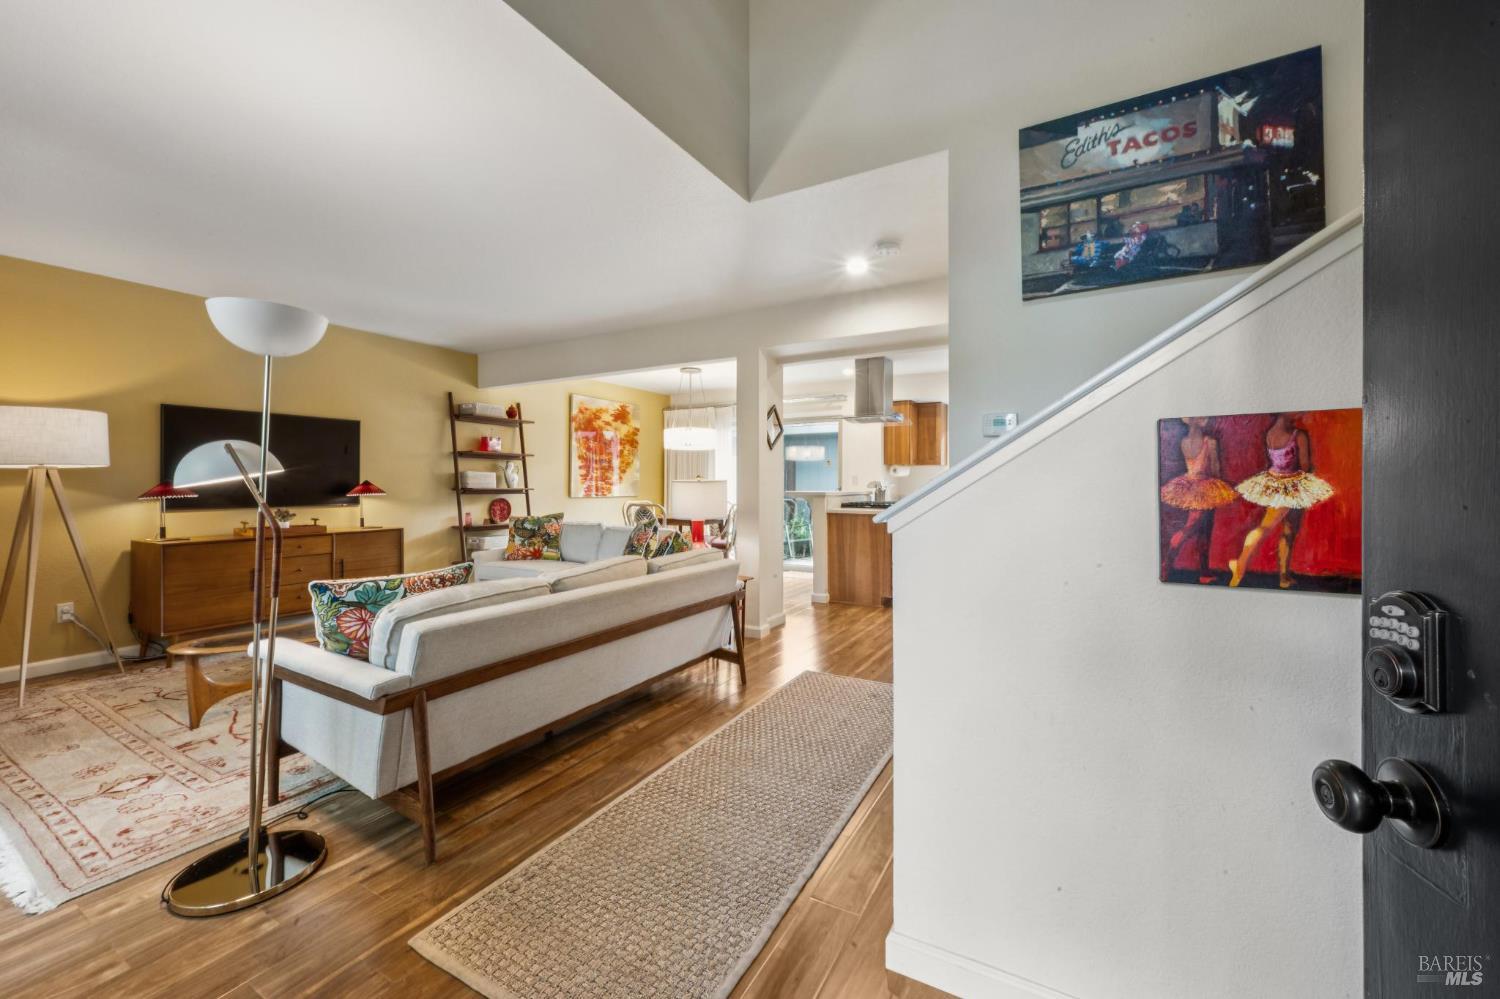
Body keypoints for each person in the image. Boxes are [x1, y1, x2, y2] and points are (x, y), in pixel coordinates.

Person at [1229, 413, 1334, 588]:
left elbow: (1276, 461)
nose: (1300, 414)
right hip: (1290, 486)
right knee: (1267, 527)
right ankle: (1239, 565)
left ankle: (1284, 577)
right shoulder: (1298, 435)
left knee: (1289, 530)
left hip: (1276, 481)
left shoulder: (1270, 433)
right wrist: (1308, 479)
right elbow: (1305, 466)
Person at [1160, 417, 1236, 581]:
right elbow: (1215, 469)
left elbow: (1192, 466)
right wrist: (1218, 489)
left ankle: (1204, 573)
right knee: (1191, 527)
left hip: (1191, 485)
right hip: (1205, 488)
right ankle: (1166, 563)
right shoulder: (1210, 442)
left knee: (1204, 531)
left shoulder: (1184, 442)